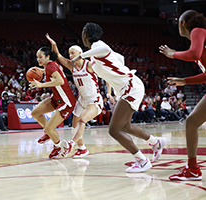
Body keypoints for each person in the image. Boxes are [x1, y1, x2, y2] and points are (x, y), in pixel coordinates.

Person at [72, 22, 166, 172]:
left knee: (114, 130)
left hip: (130, 87)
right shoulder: (95, 57)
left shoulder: (98, 45)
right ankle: (156, 142)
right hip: (126, 88)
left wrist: (81, 55)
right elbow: (120, 58)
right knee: (125, 126)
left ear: (85, 34)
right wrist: (116, 86)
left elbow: (105, 49)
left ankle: (142, 161)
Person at [159, 9, 206, 181]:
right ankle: (193, 168)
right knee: (192, 122)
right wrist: (185, 81)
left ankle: (193, 168)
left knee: (192, 122)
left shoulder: (198, 31)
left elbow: (193, 54)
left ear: (183, 23)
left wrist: (173, 54)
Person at [46, 34, 107, 158]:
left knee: (82, 120)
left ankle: (71, 144)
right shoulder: (71, 66)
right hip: (82, 100)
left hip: (94, 99)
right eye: (69, 53)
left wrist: (109, 93)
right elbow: (58, 56)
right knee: (74, 125)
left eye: (72, 53)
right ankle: (82, 149)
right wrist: (54, 45)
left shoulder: (89, 65)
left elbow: (105, 74)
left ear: (80, 53)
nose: (70, 55)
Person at [30, 46, 76, 159]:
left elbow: (59, 80)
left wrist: (41, 85)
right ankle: (49, 133)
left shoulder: (50, 67)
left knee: (49, 128)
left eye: (41, 57)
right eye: (37, 57)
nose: (38, 59)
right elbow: (52, 70)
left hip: (66, 102)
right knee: (35, 113)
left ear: (48, 57)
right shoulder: (50, 65)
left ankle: (59, 146)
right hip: (56, 98)